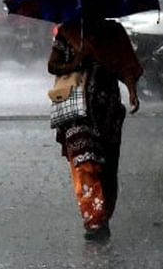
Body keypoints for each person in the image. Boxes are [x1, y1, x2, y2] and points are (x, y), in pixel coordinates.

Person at [47, 12, 142, 243]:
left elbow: (127, 65)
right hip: (76, 112)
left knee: (108, 167)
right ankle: (94, 220)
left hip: (107, 110)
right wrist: (73, 63)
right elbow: (52, 65)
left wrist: (131, 91)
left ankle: (104, 216)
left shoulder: (113, 33)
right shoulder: (67, 32)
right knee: (84, 163)